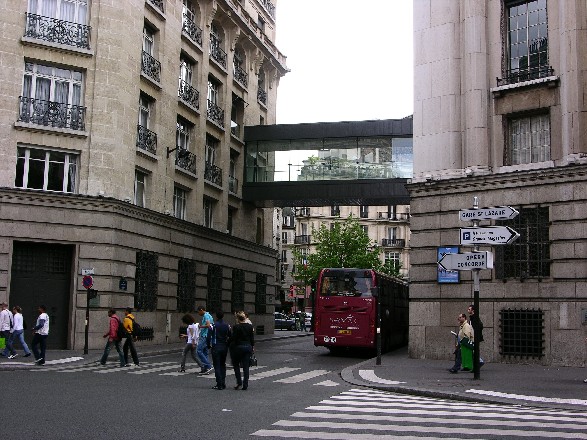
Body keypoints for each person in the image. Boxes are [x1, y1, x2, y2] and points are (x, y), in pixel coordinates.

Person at [230, 310, 255, 390]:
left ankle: (239, 382)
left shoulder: (236, 327)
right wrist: (252, 346)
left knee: (236, 365)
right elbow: (252, 338)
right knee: (246, 366)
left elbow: (234, 338)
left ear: (238, 319)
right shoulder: (250, 326)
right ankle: (245, 384)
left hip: (238, 347)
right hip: (247, 347)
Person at [209, 310, 231, 390]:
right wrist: (227, 344)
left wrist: (208, 345)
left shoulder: (213, 325)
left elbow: (209, 336)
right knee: (222, 365)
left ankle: (219, 384)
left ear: (216, 316)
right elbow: (230, 336)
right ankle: (223, 382)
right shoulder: (227, 325)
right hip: (224, 347)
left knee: (217, 365)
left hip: (216, 346)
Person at [196, 305, 213, 375]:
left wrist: (200, 326)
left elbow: (208, 325)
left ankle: (208, 366)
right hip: (209, 335)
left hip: (205, 335)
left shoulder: (206, 316)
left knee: (199, 350)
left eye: (198, 312)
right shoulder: (209, 315)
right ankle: (206, 368)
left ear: (201, 310)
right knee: (205, 352)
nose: (198, 313)